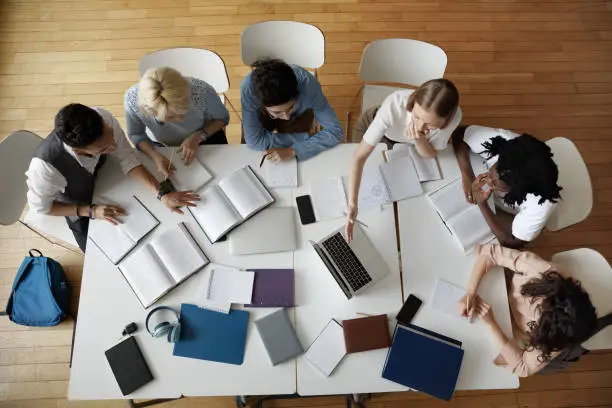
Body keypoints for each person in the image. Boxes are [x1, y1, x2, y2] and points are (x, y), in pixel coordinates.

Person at [25, 104, 200, 252]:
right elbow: (41, 208)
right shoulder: (45, 170)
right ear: (80, 150)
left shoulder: (102, 118)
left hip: (105, 177)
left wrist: (162, 194)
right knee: (106, 252)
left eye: (111, 135)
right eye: (104, 149)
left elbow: (127, 158)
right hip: (77, 201)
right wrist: (90, 211)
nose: (115, 146)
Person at [346, 79, 462, 241]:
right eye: (416, 117)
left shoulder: (454, 118)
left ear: (446, 121)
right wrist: (353, 204)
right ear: (413, 103)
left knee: (402, 200)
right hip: (377, 129)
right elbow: (358, 157)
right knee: (371, 179)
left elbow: (430, 154)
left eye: (430, 126)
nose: (420, 127)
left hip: (407, 143)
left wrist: (419, 139)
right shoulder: (394, 105)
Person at [458, 244, 598, 377]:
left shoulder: (562, 334)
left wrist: (491, 324)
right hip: (500, 287)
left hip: (513, 332)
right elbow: (490, 253)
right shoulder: (542, 271)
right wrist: (471, 292)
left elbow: (523, 367)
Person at [452, 125, 562, 248]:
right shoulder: (502, 143)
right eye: (490, 173)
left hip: (510, 217)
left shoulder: (542, 203)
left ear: (518, 190)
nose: (488, 180)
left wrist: (482, 204)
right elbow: (460, 133)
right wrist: (467, 175)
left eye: (495, 184)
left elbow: (512, 241)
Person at [124, 67, 230, 178]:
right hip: (160, 146)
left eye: (185, 111)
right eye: (171, 117)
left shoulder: (202, 92)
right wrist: (154, 155)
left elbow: (223, 118)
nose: (180, 119)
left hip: (205, 135)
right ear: (151, 112)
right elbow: (136, 134)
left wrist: (199, 136)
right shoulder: (132, 100)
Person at [241, 58, 343, 163]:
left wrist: (293, 150)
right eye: (277, 112)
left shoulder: (309, 86)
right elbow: (254, 142)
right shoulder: (248, 89)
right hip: (262, 113)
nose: (286, 117)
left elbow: (335, 131)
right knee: (251, 150)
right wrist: (307, 138)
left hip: (300, 112)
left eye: (290, 107)